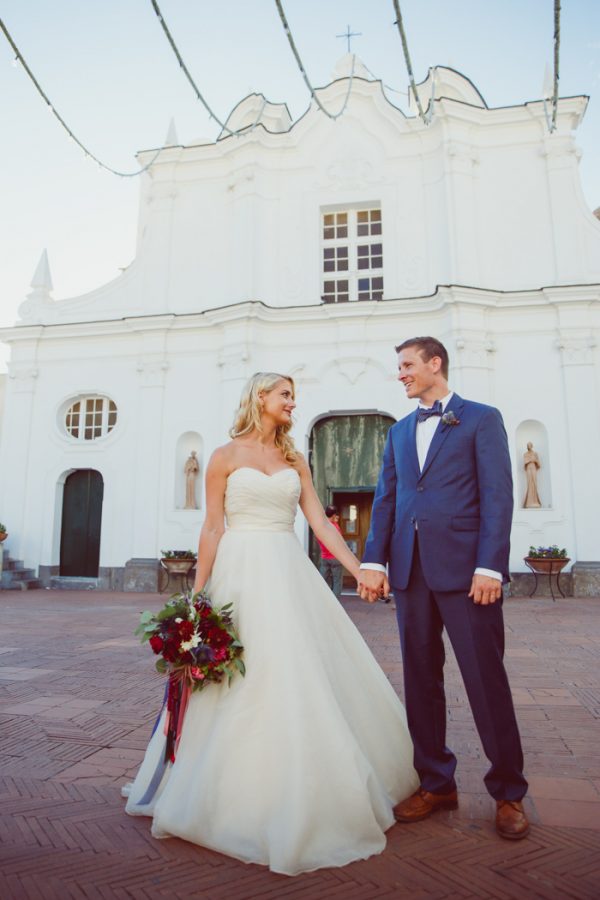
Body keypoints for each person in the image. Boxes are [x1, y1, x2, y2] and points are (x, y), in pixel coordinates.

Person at [123, 372, 418, 875]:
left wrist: (363, 570)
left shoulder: (294, 458)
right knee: (237, 673)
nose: (292, 402)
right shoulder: (223, 456)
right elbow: (213, 526)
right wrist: (197, 597)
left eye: (293, 396)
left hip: (287, 572)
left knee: (296, 667)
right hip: (238, 575)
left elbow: (320, 523)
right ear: (260, 398)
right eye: (285, 394)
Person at [358, 337, 529, 841]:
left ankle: (508, 792)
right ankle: (436, 781)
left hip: (466, 575)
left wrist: (490, 567)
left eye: (408, 365)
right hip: (411, 576)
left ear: (436, 365)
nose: (401, 374)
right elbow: (387, 498)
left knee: (484, 680)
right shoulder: (398, 432)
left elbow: (498, 496)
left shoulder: (480, 418)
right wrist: (374, 560)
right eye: (399, 367)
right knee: (420, 682)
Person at [316, 504, 345, 600]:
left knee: (321, 580)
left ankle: (319, 598)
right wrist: (336, 523)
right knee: (337, 582)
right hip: (335, 558)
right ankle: (334, 603)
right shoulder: (335, 527)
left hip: (325, 557)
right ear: (333, 515)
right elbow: (339, 542)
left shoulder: (321, 525)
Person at [523, 442, 542, 508]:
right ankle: (529, 501)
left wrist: (535, 461)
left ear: (532, 446)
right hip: (528, 468)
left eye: (530, 445)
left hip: (533, 467)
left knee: (534, 483)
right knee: (529, 483)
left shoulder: (535, 454)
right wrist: (530, 460)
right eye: (527, 445)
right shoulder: (525, 454)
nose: (529, 446)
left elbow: (539, 464)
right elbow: (525, 462)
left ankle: (535, 501)